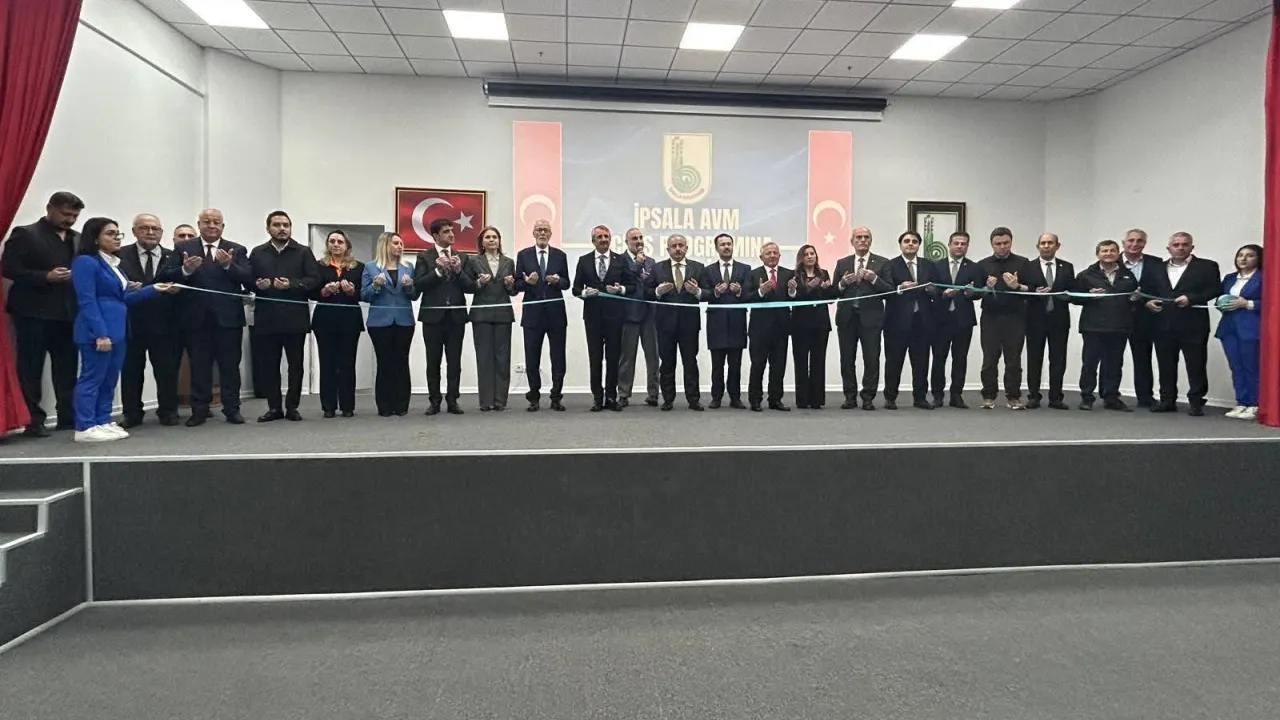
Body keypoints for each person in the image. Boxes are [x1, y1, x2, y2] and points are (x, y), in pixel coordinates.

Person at [69, 217, 175, 442]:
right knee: (92, 378)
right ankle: (85, 426)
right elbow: (87, 300)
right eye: (110, 233)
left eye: (118, 233)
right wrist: (100, 333)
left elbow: (123, 298)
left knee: (109, 379)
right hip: (98, 331)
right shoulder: (86, 262)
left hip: (118, 330)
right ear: (94, 238)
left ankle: (102, 419)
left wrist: (153, 289)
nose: (117, 238)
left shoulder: (113, 263)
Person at [156, 208, 252, 426]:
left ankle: (232, 409)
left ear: (222, 226)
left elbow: (248, 278)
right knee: (199, 367)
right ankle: (199, 410)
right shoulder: (183, 248)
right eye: (206, 221)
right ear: (199, 225)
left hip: (228, 320)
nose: (211, 225)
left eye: (216, 222)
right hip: (195, 320)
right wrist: (185, 271)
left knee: (230, 367)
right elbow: (163, 276)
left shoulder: (236, 249)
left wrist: (228, 265)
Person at [2, 191, 82, 437]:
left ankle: (67, 416)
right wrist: (45, 276)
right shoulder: (26, 234)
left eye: (74, 216)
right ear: (50, 209)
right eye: (65, 214)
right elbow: (8, 268)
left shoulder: (77, 238)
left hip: (68, 313)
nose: (70, 220)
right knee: (31, 367)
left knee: (67, 368)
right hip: (33, 313)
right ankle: (33, 420)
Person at [249, 211, 320, 422]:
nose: (282, 229)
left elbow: (314, 280)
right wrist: (257, 285)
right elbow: (248, 279)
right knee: (269, 366)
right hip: (267, 318)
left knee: (295, 366)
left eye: (286, 225)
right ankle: (274, 408)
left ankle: (292, 407)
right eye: (277, 225)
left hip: (294, 318)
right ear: (268, 228)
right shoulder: (258, 253)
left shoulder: (303, 252)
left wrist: (292, 284)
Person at [1141, 231, 1220, 416]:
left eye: (1185, 244)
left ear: (1192, 247)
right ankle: (1167, 400)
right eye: (1176, 245)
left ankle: (1196, 402)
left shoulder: (1207, 266)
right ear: (1168, 248)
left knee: (1196, 364)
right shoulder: (1156, 268)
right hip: (1163, 323)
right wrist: (1148, 302)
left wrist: (1191, 299)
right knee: (1165, 365)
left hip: (1194, 324)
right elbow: (1147, 290)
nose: (1180, 248)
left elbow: (1215, 289)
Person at [117, 213, 182, 428]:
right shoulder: (119, 255)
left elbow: (185, 285)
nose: (150, 232)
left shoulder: (173, 256)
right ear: (134, 231)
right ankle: (132, 413)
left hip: (165, 324)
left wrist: (177, 290)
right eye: (144, 228)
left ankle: (168, 411)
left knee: (167, 370)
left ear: (161, 233)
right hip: (131, 323)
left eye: (155, 229)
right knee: (131, 371)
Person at [413, 217, 473, 416]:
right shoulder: (424, 257)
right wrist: (438, 271)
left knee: (454, 362)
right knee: (433, 361)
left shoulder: (462, 257)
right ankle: (435, 400)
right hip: (433, 317)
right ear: (435, 235)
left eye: (452, 230)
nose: (451, 234)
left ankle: (453, 399)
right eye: (446, 231)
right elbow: (419, 284)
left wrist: (458, 271)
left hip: (456, 317)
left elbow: (470, 286)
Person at [572, 224, 634, 411]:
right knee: (595, 358)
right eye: (599, 237)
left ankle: (611, 397)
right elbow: (575, 289)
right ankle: (597, 398)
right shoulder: (584, 261)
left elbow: (632, 286)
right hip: (592, 317)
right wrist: (585, 292)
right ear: (593, 241)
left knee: (613, 358)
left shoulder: (620, 260)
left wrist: (620, 290)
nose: (604, 239)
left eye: (606, 236)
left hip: (615, 317)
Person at [831, 226, 891, 410]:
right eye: (858, 237)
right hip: (847, 318)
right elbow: (832, 293)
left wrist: (874, 279)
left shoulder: (882, 263)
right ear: (852, 242)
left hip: (871, 319)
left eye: (866, 237)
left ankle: (868, 397)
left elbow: (889, 291)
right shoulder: (842, 263)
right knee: (847, 359)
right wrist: (842, 283)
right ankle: (850, 397)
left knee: (871, 359)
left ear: (871, 241)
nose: (862, 240)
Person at [1074, 240, 1138, 412]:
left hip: (1119, 326)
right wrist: (1088, 295)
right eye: (1104, 251)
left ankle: (1111, 397)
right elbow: (1073, 297)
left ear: (1118, 253)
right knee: (1090, 364)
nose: (1108, 253)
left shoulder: (1128, 275)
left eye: (1112, 250)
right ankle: (1087, 397)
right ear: (1098, 254)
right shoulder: (1086, 275)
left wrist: (1134, 299)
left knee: (1114, 364)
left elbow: (1132, 298)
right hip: (1093, 327)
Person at [514, 219, 569, 412]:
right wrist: (527, 282)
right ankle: (534, 397)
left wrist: (558, 281)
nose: (542, 233)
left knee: (558, 357)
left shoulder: (560, 256)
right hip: (532, 315)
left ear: (551, 234)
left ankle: (556, 396)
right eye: (539, 230)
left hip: (556, 314)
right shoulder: (523, 255)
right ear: (533, 233)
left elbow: (567, 283)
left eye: (546, 230)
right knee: (532, 357)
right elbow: (517, 285)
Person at [647, 234, 705, 411]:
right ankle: (668, 399)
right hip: (665, 325)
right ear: (668, 249)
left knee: (690, 362)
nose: (678, 249)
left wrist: (697, 292)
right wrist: (658, 291)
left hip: (689, 324)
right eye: (674, 246)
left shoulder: (698, 267)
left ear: (686, 248)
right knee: (667, 363)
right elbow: (646, 292)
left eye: (681, 245)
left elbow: (709, 292)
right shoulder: (657, 268)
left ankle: (693, 399)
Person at [882, 231, 938, 410]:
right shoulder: (890, 265)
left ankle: (920, 398)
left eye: (914, 241)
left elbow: (937, 288)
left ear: (919, 245)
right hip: (896, 322)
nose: (910, 244)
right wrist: (900, 288)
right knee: (894, 362)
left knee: (921, 362)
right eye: (906, 241)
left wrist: (932, 290)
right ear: (900, 245)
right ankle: (890, 397)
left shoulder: (928, 265)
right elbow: (886, 290)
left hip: (923, 321)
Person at [361, 232, 416, 417]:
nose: (400, 246)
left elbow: (414, 295)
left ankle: (401, 405)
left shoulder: (408, 267)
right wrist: (375, 286)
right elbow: (364, 295)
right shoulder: (371, 267)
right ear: (385, 245)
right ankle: (384, 405)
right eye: (396, 243)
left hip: (404, 320)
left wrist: (409, 286)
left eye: (401, 243)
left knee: (401, 361)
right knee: (384, 362)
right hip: (379, 322)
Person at [977, 226, 1031, 410]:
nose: (1002, 247)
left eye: (1005, 243)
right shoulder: (983, 264)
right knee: (989, 359)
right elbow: (974, 293)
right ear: (991, 244)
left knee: (1013, 360)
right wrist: (986, 288)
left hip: (1015, 317)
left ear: (1011, 242)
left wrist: (1017, 286)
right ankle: (988, 396)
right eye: (998, 243)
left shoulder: (1023, 263)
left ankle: (1013, 397)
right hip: (990, 317)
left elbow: (1031, 290)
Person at [312, 230, 364, 418]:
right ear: (327, 245)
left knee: (347, 364)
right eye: (332, 241)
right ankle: (328, 406)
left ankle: (347, 406)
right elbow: (310, 291)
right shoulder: (318, 266)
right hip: (324, 321)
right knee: (327, 363)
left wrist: (352, 292)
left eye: (340, 242)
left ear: (347, 245)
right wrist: (324, 292)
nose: (335, 244)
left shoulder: (358, 267)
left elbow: (364, 293)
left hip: (350, 321)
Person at [467, 225, 517, 412]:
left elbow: (513, 291)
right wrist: (479, 282)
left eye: (494, 237)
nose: (491, 240)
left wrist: (510, 285)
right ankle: (486, 401)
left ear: (499, 240)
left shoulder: (508, 262)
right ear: (482, 242)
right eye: (487, 237)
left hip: (503, 314)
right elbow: (468, 286)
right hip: (481, 314)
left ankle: (500, 400)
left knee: (502, 358)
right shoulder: (473, 261)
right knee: (484, 358)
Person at [930, 231, 982, 408]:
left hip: (963, 319)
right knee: (939, 358)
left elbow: (979, 292)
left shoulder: (974, 267)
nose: (960, 246)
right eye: (956, 243)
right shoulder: (936, 265)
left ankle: (956, 395)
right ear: (949, 245)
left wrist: (970, 293)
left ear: (967, 246)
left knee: (960, 358)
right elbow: (931, 289)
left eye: (963, 243)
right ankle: (937, 395)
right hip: (940, 319)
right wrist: (942, 294)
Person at [1023, 233, 1075, 410]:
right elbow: (1022, 292)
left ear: (1057, 246)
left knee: (1058, 359)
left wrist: (1067, 296)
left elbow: (1073, 291)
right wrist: (1034, 292)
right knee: (1034, 359)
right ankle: (1033, 396)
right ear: (1038, 246)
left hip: (1059, 320)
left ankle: (1056, 397)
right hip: (1034, 319)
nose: (1046, 246)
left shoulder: (1067, 267)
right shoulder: (1028, 267)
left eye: (1050, 243)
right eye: (1043, 243)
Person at [699, 233, 750, 409]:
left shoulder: (745, 269)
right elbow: (703, 293)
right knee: (717, 364)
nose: (726, 247)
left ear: (733, 246)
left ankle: (735, 397)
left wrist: (739, 292)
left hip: (737, 322)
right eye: (722, 244)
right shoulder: (708, 270)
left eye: (729, 244)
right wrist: (715, 292)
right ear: (717, 248)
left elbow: (749, 295)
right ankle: (716, 397)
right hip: (717, 323)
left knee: (735, 364)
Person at [746, 241, 797, 412]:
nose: (772, 256)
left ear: (780, 256)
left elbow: (794, 299)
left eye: (775, 253)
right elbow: (746, 298)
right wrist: (761, 291)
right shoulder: (753, 274)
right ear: (761, 257)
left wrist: (792, 291)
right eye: (768, 253)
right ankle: (755, 400)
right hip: (759, 329)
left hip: (781, 328)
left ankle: (775, 399)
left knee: (778, 366)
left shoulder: (789, 274)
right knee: (758, 365)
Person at [1215, 244, 1263, 420]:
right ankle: (1241, 402)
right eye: (1240, 255)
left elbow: (1272, 302)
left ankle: (1254, 404)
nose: (1243, 259)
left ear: (1259, 258)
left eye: (1250, 255)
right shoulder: (1230, 278)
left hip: (1251, 328)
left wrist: (1247, 304)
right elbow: (1220, 298)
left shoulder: (1263, 277)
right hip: (1229, 327)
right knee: (1236, 366)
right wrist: (1222, 304)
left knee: (1251, 366)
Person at [1121, 229, 1163, 407]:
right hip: (1117, 317)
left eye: (1139, 241)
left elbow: (1162, 288)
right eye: (1131, 240)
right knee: (1111, 359)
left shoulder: (1156, 263)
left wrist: (1147, 301)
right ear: (1123, 243)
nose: (1134, 244)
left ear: (1145, 244)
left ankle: (1145, 397)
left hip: (1146, 318)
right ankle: (1109, 396)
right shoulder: (1111, 262)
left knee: (1143, 359)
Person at [618, 228, 659, 408]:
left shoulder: (651, 262)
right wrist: (636, 264)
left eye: (641, 238)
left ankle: (653, 393)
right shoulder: (620, 260)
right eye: (634, 238)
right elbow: (625, 281)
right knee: (627, 357)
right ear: (627, 242)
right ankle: (623, 393)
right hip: (629, 315)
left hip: (650, 314)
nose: (639, 241)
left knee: (653, 356)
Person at [790, 244, 833, 410]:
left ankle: (816, 399)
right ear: (801, 258)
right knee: (800, 361)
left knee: (818, 361)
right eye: (806, 254)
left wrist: (827, 289)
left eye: (812, 253)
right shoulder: (794, 275)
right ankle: (802, 399)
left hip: (820, 324)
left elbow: (830, 299)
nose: (810, 256)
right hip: (800, 324)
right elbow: (793, 298)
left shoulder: (824, 274)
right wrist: (808, 288)